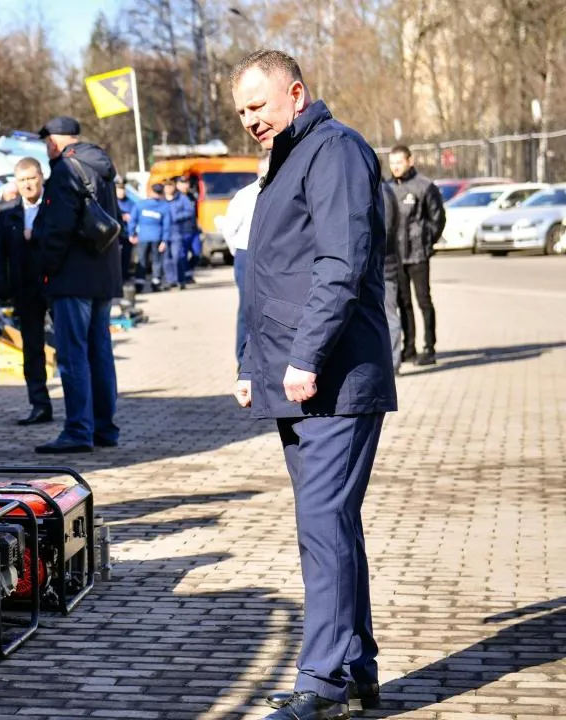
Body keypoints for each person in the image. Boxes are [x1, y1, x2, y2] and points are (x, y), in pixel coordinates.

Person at [230, 50, 396, 720]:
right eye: (241, 111)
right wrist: (249, 360)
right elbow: (264, 272)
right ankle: (354, 665)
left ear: (295, 94)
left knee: (322, 526)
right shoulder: (287, 158)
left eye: (259, 106)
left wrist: (303, 358)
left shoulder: (334, 152)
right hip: (297, 377)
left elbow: (339, 263)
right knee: (332, 526)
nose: (250, 121)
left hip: (332, 378)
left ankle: (321, 681)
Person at [31, 116, 121, 453]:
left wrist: (45, 271)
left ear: (55, 141)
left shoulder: (66, 170)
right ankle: (104, 428)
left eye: (46, 143)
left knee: (72, 357)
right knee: (100, 354)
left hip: (72, 277)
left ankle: (78, 430)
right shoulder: (99, 164)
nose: (46, 149)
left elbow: (58, 228)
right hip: (102, 275)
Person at [0, 156, 53, 426]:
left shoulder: (55, 208)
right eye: (22, 180)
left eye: (32, 178)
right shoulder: (7, 214)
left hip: (56, 285)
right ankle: (39, 404)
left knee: (70, 346)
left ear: (41, 178)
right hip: (25, 289)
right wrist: (1, 285)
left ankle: (81, 409)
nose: (28, 185)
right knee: (32, 348)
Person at [387, 144, 445, 366]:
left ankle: (429, 347)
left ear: (410, 161)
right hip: (396, 257)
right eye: (392, 164)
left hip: (418, 255)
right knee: (403, 303)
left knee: (423, 301)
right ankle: (408, 347)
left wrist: (426, 241)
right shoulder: (388, 188)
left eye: (399, 162)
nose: (395, 167)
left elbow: (437, 218)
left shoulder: (424, 186)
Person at [220, 154, 269, 369]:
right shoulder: (245, 195)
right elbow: (229, 228)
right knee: (248, 307)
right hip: (246, 253)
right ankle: (244, 359)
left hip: (271, 255)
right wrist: (239, 252)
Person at [381, 181, 405, 373]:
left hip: (385, 267)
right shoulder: (381, 188)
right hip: (381, 266)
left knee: (390, 316)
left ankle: (393, 362)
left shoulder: (382, 191)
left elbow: (385, 231)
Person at [134, 183, 171, 294]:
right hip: (157, 237)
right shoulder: (164, 206)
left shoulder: (140, 204)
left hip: (143, 237)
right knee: (156, 261)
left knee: (141, 261)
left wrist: (132, 234)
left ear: (150, 192)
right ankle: (156, 283)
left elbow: (133, 220)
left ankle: (139, 284)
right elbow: (166, 225)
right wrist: (164, 241)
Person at [162, 179, 197, 289]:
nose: (168, 188)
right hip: (163, 232)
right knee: (167, 258)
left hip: (176, 231)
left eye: (170, 186)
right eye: (166, 186)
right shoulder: (161, 199)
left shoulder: (182, 198)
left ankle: (181, 280)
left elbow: (190, 211)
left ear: (174, 187)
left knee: (178, 256)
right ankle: (171, 280)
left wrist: (176, 217)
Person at [114, 178, 141, 311]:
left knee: (126, 257)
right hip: (116, 235)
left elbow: (136, 217)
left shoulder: (131, 203)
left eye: (123, 189)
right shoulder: (112, 202)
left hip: (127, 235)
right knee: (115, 259)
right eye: (119, 189)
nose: (121, 192)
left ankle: (124, 278)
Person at [174, 175, 202, 275]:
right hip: (182, 230)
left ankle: (187, 272)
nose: (185, 185)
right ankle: (186, 275)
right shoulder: (175, 197)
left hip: (194, 230)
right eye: (182, 183)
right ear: (177, 185)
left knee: (197, 253)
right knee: (183, 255)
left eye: (186, 183)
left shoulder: (192, 196)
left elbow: (197, 212)